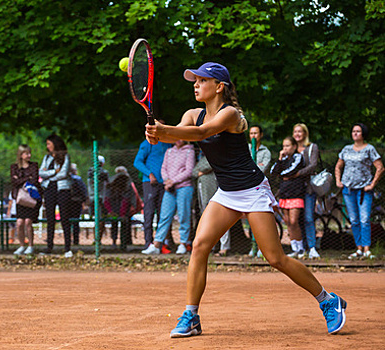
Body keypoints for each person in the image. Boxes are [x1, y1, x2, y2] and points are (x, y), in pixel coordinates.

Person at [145, 62, 347, 337]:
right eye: (195, 80)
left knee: (275, 258)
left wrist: (164, 130)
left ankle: (328, 300)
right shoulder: (193, 113)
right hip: (226, 193)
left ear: (219, 87)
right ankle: (191, 315)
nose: (195, 84)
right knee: (200, 246)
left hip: (252, 191)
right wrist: (159, 134)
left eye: (202, 80)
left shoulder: (231, 114)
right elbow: (180, 133)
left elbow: (201, 134)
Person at [335, 123, 383, 259]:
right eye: (353, 131)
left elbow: (380, 167)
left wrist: (372, 184)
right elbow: (338, 166)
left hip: (363, 190)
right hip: (348, 189)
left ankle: (367, 248)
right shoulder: (346, 149)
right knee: (354, 220)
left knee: (365, 219)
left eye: (358, 131)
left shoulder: (369, 149)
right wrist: (338, 181)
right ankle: (359, 248)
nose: (355, 133)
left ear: (363, 134)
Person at [141, 139, 195, 255]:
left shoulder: (189, 151)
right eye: (177, 137)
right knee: (164, 216)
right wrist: (167, 181)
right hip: (169, 188)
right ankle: (156, 244)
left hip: (184, 187)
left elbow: (189, 171)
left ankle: (183, 243)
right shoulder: (169, 151)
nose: (179, 140)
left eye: (181, 137)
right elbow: (163, 168)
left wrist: (173, 181)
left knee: (183, 215)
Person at [133, 122, 171, 250]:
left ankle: (162, 243)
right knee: (148, 213)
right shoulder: (147, 143)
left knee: (164, 213)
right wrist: (149, 174)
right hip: (150, 183)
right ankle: (148, 242)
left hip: (165, 184)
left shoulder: (168, 144)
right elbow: (137, 162)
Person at [271, 136, 306, 258]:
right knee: (287, 222)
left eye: (287, 146)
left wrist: (283, 174)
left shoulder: (298, 157)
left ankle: (301, 248)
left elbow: (291, 170)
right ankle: (294, 248)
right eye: (283, 146)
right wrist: (280, 160)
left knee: (294, 221)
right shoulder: (283, 159)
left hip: (296, 193)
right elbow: (273, 171)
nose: (285, 148)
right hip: (284, 194)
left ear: (294, 146)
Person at [39, 134, 73, 258]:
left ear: (55, 144)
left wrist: (50, 176)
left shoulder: (65, 157)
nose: (47, 146)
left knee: (64, 217)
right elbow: (41, 173)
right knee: (50, 219)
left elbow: (64, 173)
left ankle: (67, 247)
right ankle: (49, 246)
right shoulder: (47, 158)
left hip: (62, 189)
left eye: (49, 144)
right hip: (49, 189)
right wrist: (53, 172)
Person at [192, 154, 230, 256]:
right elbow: (194, 172)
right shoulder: (203, 158)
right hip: (204, 194)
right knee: (207, 219)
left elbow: (209, 165)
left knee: (221, 218)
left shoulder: (217, 155)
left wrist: (202, 170)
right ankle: (210, 247)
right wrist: (201, 170)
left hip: (217, 192)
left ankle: (224, 247)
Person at [293, 123, 321, 259]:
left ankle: (312, 247)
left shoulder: (312, 147)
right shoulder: (291, 148)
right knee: (296, 219)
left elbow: (313, 165)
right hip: (294, 189)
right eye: (295, 132)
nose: (297, 134)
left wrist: (298, 173)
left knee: (308, 217)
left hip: (308, 187)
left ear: (305, 133)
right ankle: (300, 247)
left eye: (300, 132)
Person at [246, 125, 273, 258]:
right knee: (250, 220)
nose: (253, 136)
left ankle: (263, 247)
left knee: (261, 219)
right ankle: (253, 247)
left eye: (256, 133)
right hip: (246, 189)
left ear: (261, 135)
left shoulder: (265, 152)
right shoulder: (245, 149)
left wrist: (251, 167)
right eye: (251, 133)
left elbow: (262, 170)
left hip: (259, 188)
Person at [11, 144, 43, 255]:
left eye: (29, 153)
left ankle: (31, 246)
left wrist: (20, 179)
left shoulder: (34, 166)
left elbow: (34, 180)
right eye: (26, 153)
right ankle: (21, 246)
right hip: (21, 199)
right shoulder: (14, 167)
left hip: (32, 198)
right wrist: (26, 178)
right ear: (21, 155)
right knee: (19, 223)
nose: (29, 155)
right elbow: (14, 182)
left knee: (28, 222)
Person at [104, 166, 137, 251]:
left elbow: (126, 201)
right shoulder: (110, 186)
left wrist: (123, 214)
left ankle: (123, 244)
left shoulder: (127, 187)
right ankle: (114, 241)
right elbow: (106, 200)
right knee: (114, 224)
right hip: (113, 205)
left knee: (124, 223)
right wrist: (111, 211)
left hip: (124, 208)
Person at [87, 155, 110, 237]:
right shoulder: (104, 173)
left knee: (95, 218)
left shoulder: (90, 172)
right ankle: (98, 238)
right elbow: (108, 184)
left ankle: (95, 238)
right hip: (101, 198)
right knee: (101, 219)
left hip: (91, 197)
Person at [69, 163, 88, 245]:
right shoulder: (78, 179)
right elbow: (83, 191)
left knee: (67, 222)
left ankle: (68, 239)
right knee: (76, 221)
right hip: (76, 203)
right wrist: (84, 200)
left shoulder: (64, 179)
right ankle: (76, 240)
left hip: (67, 203)